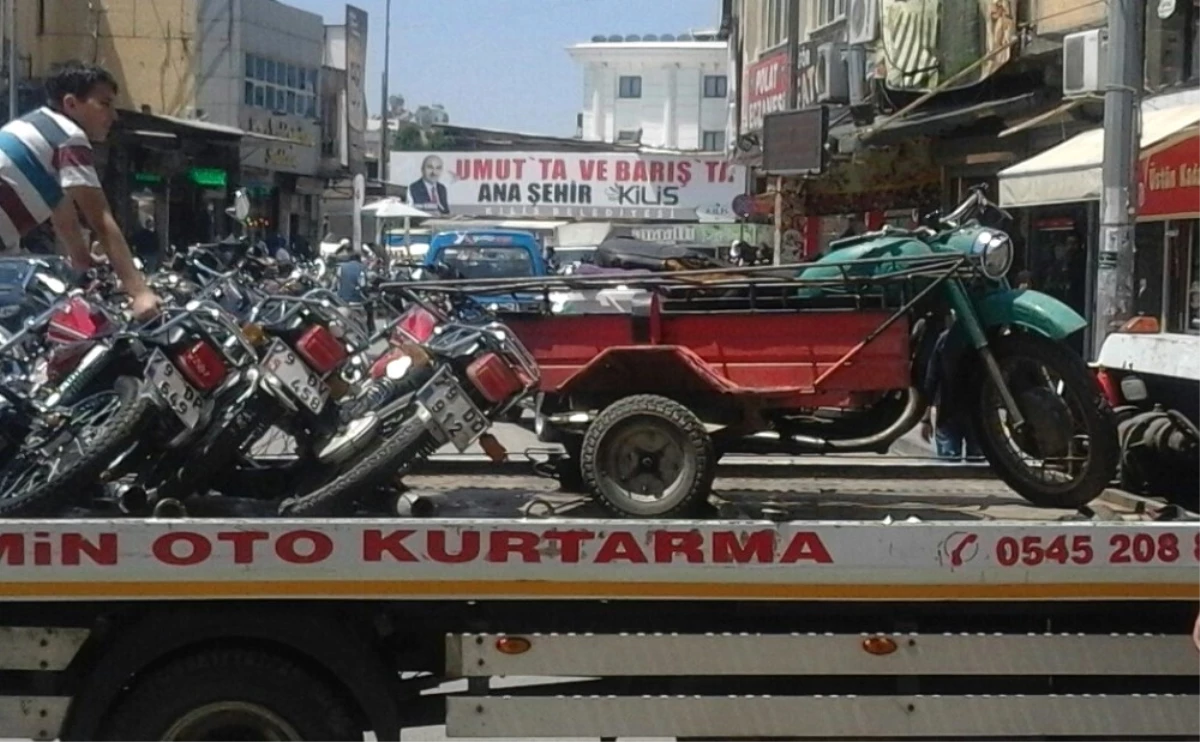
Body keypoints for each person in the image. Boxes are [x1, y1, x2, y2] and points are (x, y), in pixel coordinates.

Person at [0, 61, 159, 318]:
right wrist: (140, 292)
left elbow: (63, 215)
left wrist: (82, 260)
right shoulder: (69, 136)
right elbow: (101, 220)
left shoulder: (39, 128)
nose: (114, 116)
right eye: (104, 104)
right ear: (71, 104)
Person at [920, 312, 980, 461]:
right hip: (975, 412)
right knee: (978, 463)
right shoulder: (981, 340)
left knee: (949, 464)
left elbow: (931, 380)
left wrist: (926, 418)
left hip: (948, 411)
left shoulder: (944, 339)